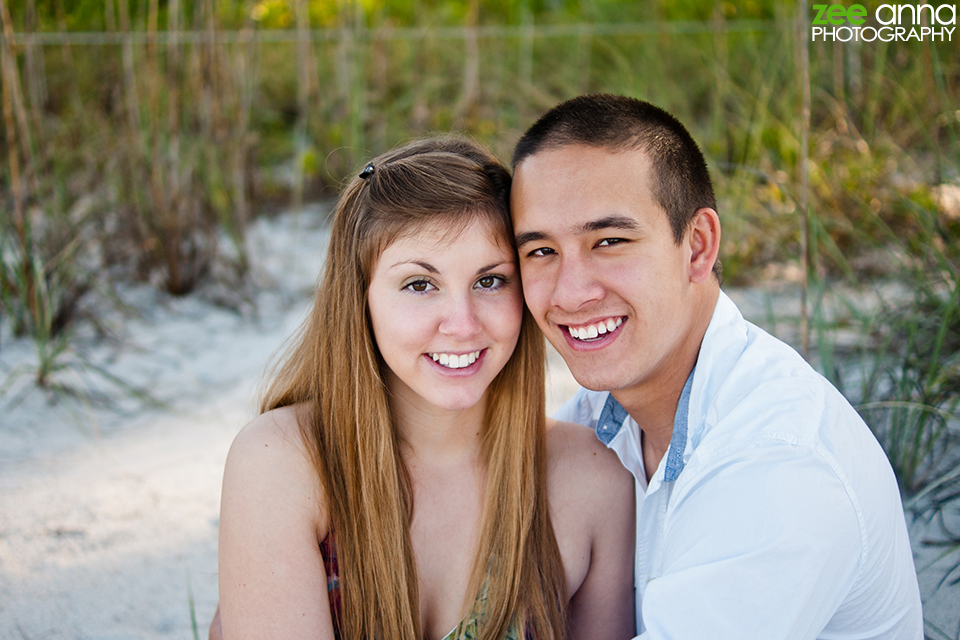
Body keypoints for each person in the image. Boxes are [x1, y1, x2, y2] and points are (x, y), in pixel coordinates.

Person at [509, 94, 923, 639]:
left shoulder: (779, 461)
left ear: (698, 246)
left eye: (609, 241)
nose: (571, 292)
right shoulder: (598, 417)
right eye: (540, 251)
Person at [211, 137, 635, 640]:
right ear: (360, 300)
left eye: (490, 281)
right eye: (419, 285)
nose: (461, 324)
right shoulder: (283, 461)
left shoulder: (592, 481)